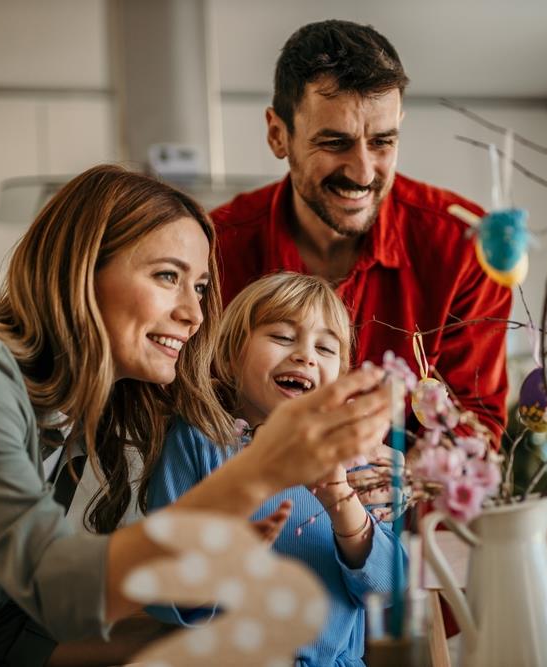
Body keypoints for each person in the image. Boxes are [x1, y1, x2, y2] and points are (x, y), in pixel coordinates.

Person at [0, 165, 392, 666]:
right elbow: (56, 586)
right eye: (168, 276)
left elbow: (3, 626)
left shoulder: (63, 422)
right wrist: (263, 470)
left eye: (199, 286)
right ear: (82, 269)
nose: (195, 312)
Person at [211, 19, 512, 441]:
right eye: (335, 143)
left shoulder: (465, 247)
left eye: (383, 141)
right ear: (279, 135)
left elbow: (477, 422)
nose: (363, 172)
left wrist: (406, 474)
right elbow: (183, 408)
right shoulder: (215, 249)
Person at [147, 272, 405, 666]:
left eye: (325, 347)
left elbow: (388, 589)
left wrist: (342, 504)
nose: (306, 355)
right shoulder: (197, 441)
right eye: (283, 337)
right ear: (233, 355)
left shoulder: (356, 456)